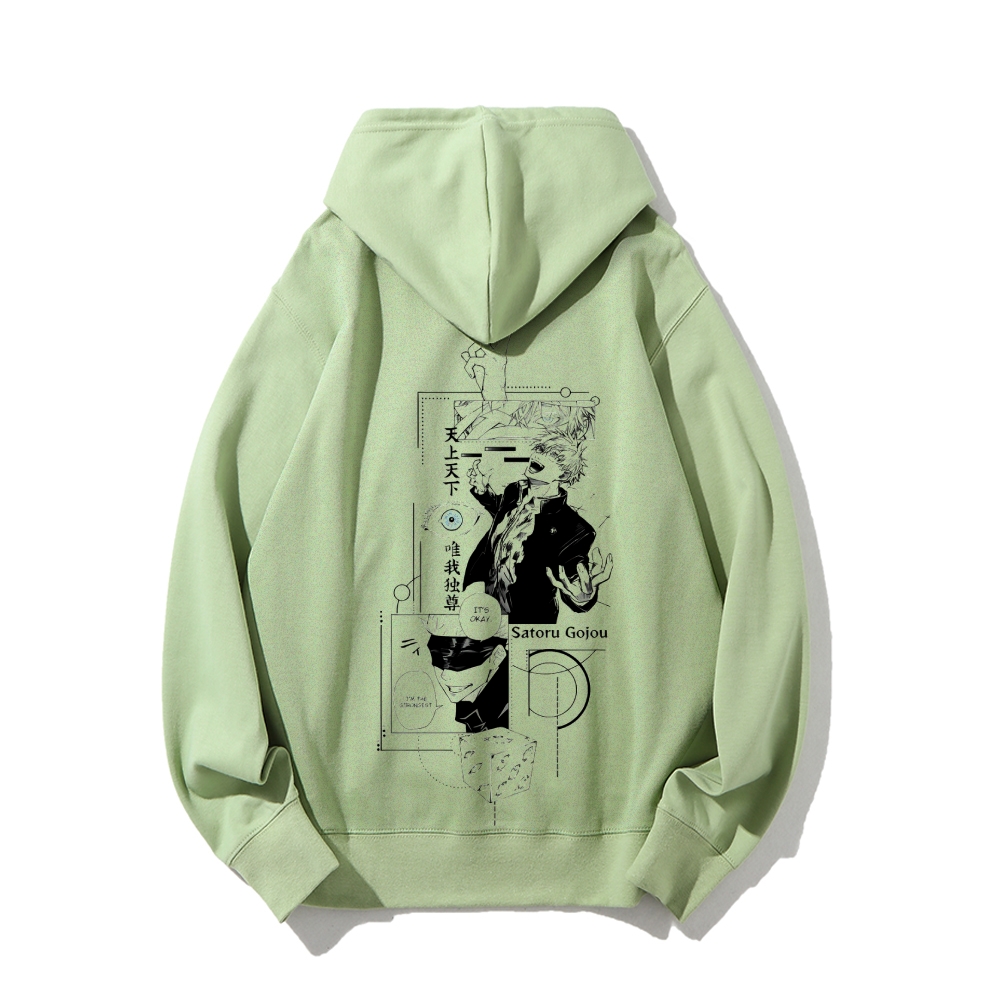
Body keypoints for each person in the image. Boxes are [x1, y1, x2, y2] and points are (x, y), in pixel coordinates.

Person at [464, 430, 613, 624]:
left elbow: (572, 578)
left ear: (563, 474)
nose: (539, 454)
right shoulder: (514, 490)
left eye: (553, 455)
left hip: (526, 618)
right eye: (540, 449)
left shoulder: (576, 529)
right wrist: (483, 492)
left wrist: (583, 597)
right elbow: (503, 515)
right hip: (482, 603)